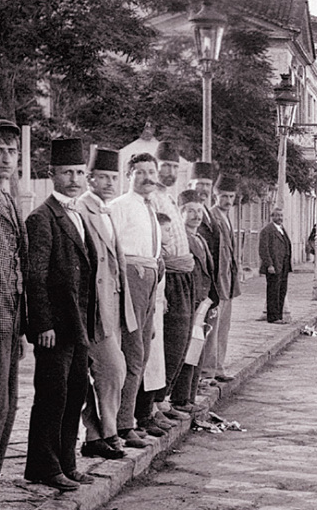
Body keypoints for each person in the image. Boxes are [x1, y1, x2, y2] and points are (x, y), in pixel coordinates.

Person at [24, 138, 98, 492]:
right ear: (52, 175)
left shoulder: (78, 214)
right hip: (56, 328)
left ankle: (66, 462)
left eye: (79, 172)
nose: (74, 178)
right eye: (67, 172)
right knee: (52, 396)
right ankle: (43, 465)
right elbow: (35, 275)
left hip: (79, 326)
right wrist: (43, 324)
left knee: (75, 394)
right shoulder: (42, 218)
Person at [76, 148, 134, 460]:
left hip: (113, 307)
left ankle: (94, 436)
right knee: (112, 369)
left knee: (107, 371)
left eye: (114, 178)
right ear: (91, 178)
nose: (110, 183)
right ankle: (107, 431)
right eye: (103, 177)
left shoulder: (107, 210)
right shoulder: (83, 209)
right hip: (92, 308)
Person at [0, 120, 28, 508]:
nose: (7, 158)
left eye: (12, 151)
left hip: (8, 322)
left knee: (5, 411)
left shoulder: (7, 198)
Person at [108, 152, 163, 449]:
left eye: (150, 171)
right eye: (139, 172)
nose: (146, 177)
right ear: (129, 175)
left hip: (150, 280)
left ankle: (128, 419)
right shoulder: (120, 207)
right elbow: (111, 250)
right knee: (131, 356)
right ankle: (122, 424)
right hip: (131, 279)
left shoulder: (149, 207)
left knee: (142, 355)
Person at [150, 142, 193, 427]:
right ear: (156, 167)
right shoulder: (152, 198)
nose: (170, 172)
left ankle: (164, 400)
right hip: (167, 276)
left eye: (175, 167)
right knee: (166, 343)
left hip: (182, 274)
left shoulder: (171, 198)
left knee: (181, 341)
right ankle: (155, 404)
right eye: (165, 166)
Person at [169, 190, 218, 413]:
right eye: (190, 211)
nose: (196, 216)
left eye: (199, 211)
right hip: (191, 300)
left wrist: (212, 301)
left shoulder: (200, 239)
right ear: (180, 213)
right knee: (188, 350)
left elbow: (209, 271)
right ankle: (180, 399)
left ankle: (190, 397)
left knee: (198, 350)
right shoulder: (182, 241)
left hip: (204, 301)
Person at [199, 173, 240, 383]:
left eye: (231, 197)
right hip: (216, 282)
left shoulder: (227, 217)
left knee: (224, 327)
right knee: (212, 329)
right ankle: (208, 370)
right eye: (224, 196)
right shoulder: (212, 217)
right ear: (215, 194)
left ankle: (219, 367)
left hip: (229, 282)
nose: (228, 201)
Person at [259, 207, 292, 324]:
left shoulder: (282, 229)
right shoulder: (267, 230)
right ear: (272, 216)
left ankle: (279, 315)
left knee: (282, 290)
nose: (280, 218)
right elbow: (263, 249)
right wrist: (269, 264)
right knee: (273, 291)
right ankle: (273, 317)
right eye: (277, 215)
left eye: (281, 215)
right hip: (274, 266)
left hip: (283, 265)